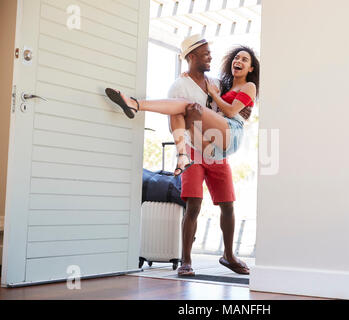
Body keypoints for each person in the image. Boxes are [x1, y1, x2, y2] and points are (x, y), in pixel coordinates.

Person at [105, 34, 259, 276]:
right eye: (206, 53)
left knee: (227, 204)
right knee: (193, 205)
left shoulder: (216, 84)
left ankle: (229, 255)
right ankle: (186, 261)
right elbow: (173, 120)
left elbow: (234, 107)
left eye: (243, 59)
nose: (211, 57)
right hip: (194, 149)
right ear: (191, 57)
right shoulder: (179, 85)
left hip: (217, 150)